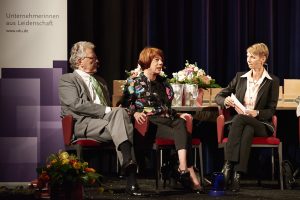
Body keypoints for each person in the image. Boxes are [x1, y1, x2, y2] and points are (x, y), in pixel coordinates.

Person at [58, 41, 142, 196]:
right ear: (79, 61)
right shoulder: (68, 79)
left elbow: (113, 110)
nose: (97, 61)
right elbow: (76, 104)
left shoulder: (101, 81)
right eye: (92, 58)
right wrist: (109, 110)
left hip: (107, 124)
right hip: (83, 123)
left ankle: (128, 163)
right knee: (121, 118)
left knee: (121, 114)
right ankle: (131, 177)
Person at [122, 47, 203, 193]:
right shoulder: (133, 81)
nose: (160, 63)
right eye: (156, 60)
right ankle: (187, 172)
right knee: (186, 134)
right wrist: (134, 114)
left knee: (181, 122)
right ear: (147, 61)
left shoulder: (164, 82)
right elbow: (125, 104)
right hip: (149, 122)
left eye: (161, 60)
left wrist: (177, 114)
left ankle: (183, 169)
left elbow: (167, 107)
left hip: (166, 119)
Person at [215, 43, 279, 192]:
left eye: (253, 56)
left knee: (241, 120)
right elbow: (219, 95)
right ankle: (237, 176)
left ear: (263, 58)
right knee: (246, 128)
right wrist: (225, 101)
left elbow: (271, 110)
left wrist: (256, 113)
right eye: (247, 56)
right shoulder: (240, 77)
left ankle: (227, 165)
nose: (248, 60)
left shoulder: (272, 81)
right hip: (243, 126)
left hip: (262, 125)